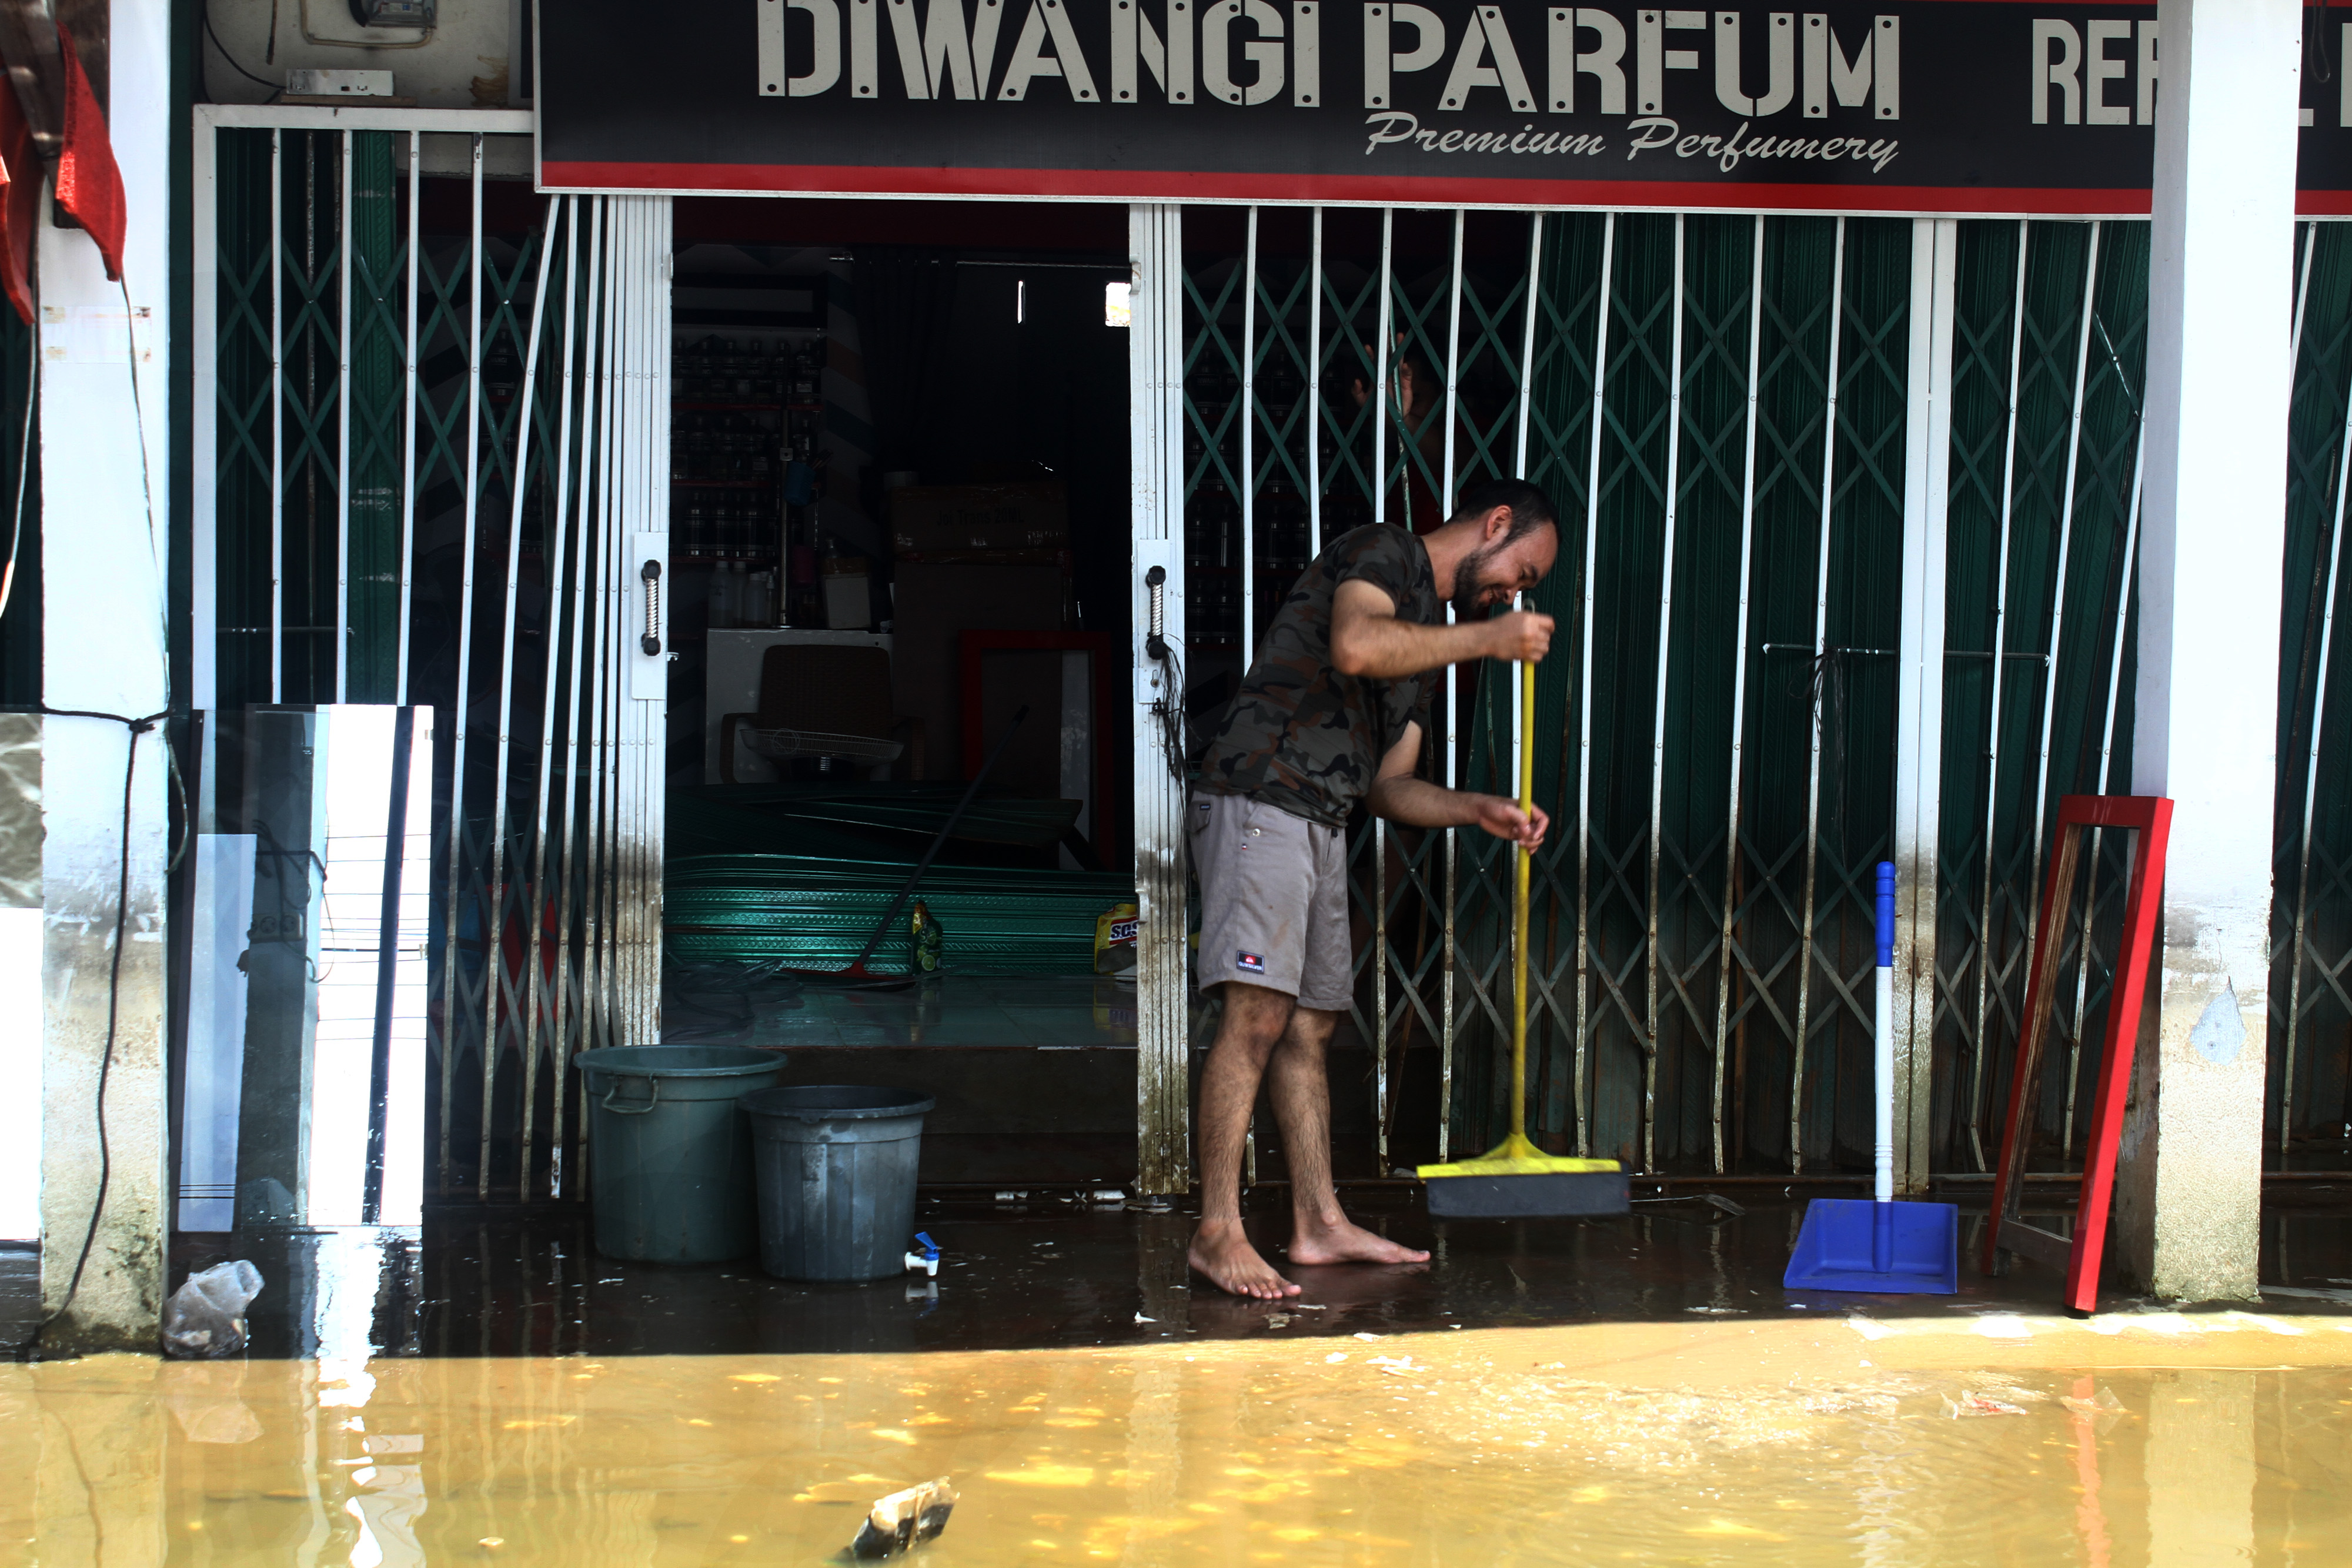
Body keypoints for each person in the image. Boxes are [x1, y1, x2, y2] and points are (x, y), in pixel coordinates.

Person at [1186, 477, 1561, 1299]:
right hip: (1262, 797)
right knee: (1254, 1015)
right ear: (1496, 525)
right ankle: (1217, 1231)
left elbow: (1392, 787)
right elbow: (1357, 644)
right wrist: (1491, 639)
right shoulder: (1383, 550)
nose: (1511, 594)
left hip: (1324, 818)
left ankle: (1317, 1223)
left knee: (1311, 1025)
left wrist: (1477, 810)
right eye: (1520, 573)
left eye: (1522, 592)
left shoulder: (1426, 639)